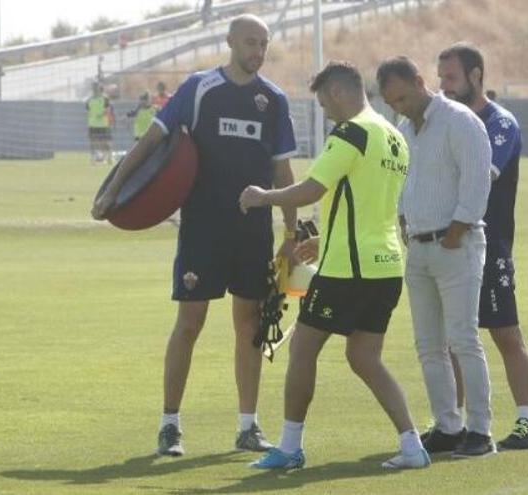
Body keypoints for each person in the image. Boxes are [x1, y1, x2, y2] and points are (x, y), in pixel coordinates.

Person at [92, 14, 299, 457]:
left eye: (263, 44)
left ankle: (248, 426)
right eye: (249, 43)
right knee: (190, 324)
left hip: (253, 232)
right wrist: (111, 190)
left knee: (250, 328)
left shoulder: (274, 100)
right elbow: (150, 144)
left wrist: (291, 230)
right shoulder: (198, 88)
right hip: (202, 228)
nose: (257, 52)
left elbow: (283, 172)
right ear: (229, 42)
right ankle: (170, 425)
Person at [240, 60, 430, 470]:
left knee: (304, 349)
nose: (325, 110)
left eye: (324, 102)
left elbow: (310, 189)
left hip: (348, 269)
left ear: (339, 93)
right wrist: (324, 239)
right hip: (386, 264)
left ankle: (290, 447)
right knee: (364, 357)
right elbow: (369, 202)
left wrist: (261, 196)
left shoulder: (351, 132)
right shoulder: (394, 136)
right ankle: (412, 445)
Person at [378, 56, 496, 458]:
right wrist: (403, 223)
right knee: (428, 345)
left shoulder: (460, 121)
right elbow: (402, 183)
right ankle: (448, 426)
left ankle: (480, 431)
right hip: (419, 247)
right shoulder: (403, 129)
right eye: (392, 102)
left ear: (418, 80)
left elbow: (477, 183)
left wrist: (455, 232)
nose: (400, 107)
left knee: (463, 339)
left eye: (403, 97)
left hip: (456, 245)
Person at [437, 42, 528, 450]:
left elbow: (484, 175)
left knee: (505, 333)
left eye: (451, 77)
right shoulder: (445, 121)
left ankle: (526, 423)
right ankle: (453, 424)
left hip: (489, 244)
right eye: (440, 77)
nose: (443, 86)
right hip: (449, 243)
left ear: (476, 76)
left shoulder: (499, 123)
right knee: (452, 337)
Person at [86, 82, 115, 165]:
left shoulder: (105, 98)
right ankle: (93, 159)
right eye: (94, 87)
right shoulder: (89, 99)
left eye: (97, 87)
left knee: (106, 141)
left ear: (99, 88)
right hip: (92, 124)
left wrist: (101, 114)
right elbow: (88, 111)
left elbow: (108, 110)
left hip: (103, 124)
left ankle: (109, 158)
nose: (95, 89)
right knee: (93, 142)